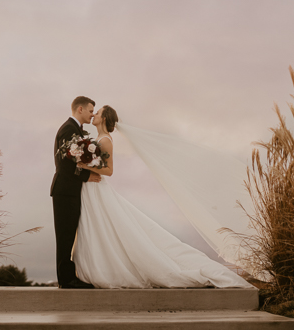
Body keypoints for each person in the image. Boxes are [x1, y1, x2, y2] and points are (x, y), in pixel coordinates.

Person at [71, 105, 253, 289]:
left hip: (97, 187)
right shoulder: (94, 140)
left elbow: (109, 170)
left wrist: (85, 166)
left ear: (104, 118)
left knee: (110, 226)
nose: (94, 114)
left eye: (98, 112)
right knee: (95, 226)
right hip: (90, 188)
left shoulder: (105, 141)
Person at [50, 96, 101, 288]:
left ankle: (70, 276)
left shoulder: (75, 130)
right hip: (64, 191)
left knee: (70, 234)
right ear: (80, 109)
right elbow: (64, 164)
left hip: (70, 191)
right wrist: (86, 176)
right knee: (65, 235)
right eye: (90, 110)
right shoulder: (68, 129)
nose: (92, 114)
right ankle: (66, 279)